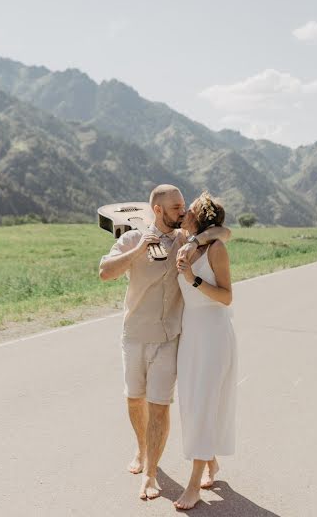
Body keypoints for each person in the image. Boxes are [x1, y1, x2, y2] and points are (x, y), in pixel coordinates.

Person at [98, 184, 231, 500]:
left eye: (184, 206)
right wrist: (138, 250)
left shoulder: (187, 240)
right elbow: (104, 272)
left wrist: (197, 238)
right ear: (156, 209)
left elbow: (223, 233)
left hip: (170, 338)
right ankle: (142, 449)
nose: (182, 212)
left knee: (159, 407)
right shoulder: (131, 238)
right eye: (176, 207)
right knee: (134, 399)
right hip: (134, 335)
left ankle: (150, 473)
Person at [173, 192, 237, 511]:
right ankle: (210, 462)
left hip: (213, 334)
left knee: (204, 403)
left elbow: (227, 297)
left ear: (198, 218)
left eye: (189, 212)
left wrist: (193, 279)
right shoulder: (184, 244)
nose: (183, 214)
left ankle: (194, 484)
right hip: (190, 334)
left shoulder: (216, 248)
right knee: (190, 404)